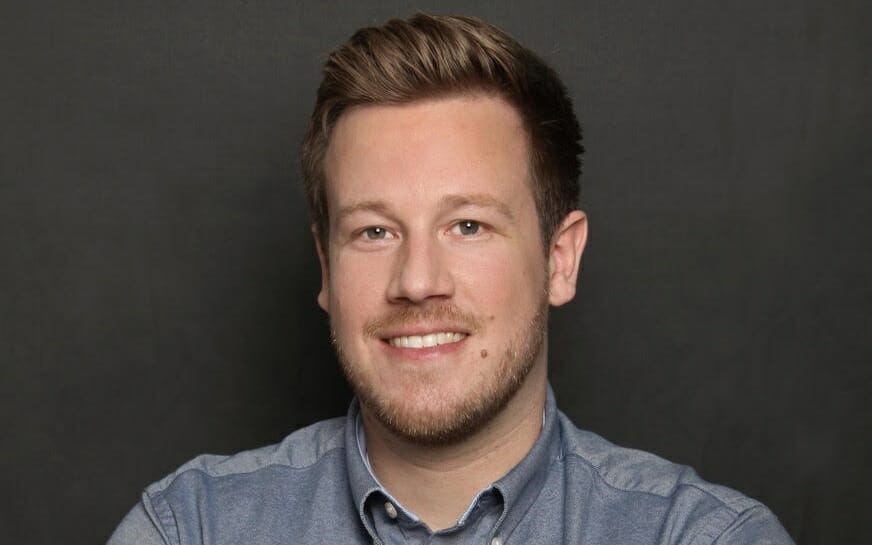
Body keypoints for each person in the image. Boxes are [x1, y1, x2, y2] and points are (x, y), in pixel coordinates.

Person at [108, 13, 794, 545]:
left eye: (467, 225)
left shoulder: (701, 537)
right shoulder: (194, 527)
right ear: (325, 267)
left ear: (561, 257)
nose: (416, 280)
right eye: (374, 230)